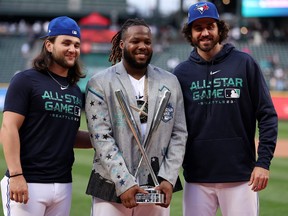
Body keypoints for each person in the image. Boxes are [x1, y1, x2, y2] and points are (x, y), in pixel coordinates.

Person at [173, 2, 278, 216]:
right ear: (190, 33)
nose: (205, 33)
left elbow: (267, 115)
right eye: (198, 28)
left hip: (241, 177)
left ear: (219, 29)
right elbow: (173, 126)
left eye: (210, 26)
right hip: (197, 179)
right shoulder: (181, 73)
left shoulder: (244, 63)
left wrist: (263, 163)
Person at [85, 18, 187, 216]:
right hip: (110, 185)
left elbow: (179, 133)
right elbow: (101, 138)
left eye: (147, 42)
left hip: (156, 185)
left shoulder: (170, 82)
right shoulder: (99, 83)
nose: (142, 46)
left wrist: (169, 177)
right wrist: (124, 182)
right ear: (122, 44)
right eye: (135, 41)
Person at [0, 16, 91, 216]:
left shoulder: (75, 90)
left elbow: (68, 135)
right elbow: (8, 128)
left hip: (63, 184)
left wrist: (103, 139)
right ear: (49, 45)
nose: (72, 49)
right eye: (66, 43)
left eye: (76, 44)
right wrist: (16, 175)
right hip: (28, 181)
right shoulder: (25, 80)